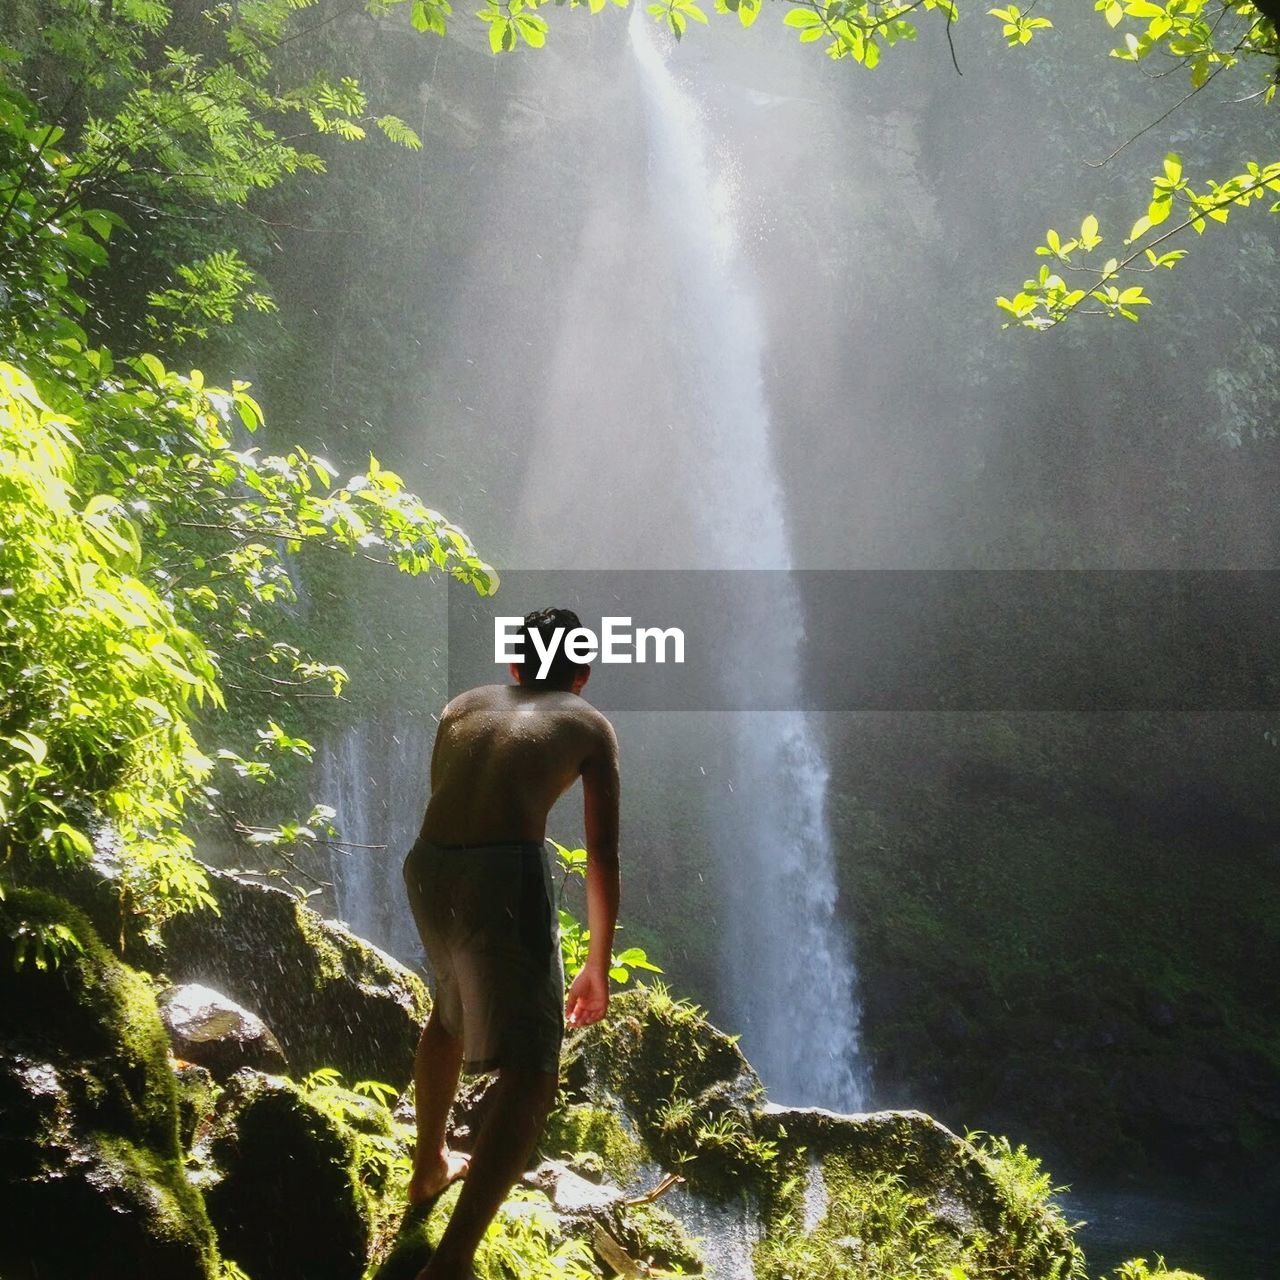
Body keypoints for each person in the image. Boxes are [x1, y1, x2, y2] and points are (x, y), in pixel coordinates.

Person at [401, 606, 621, 1280]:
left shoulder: (463, 704)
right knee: (532, 1074)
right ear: (581, 674)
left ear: (515, 665)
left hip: (429, 866)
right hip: (503, 874)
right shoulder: (588, 725)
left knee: (447, 1014)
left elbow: (452, 795)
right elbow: (603, 857)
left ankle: (430, 1166)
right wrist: (596, 968)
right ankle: (453, 1262)